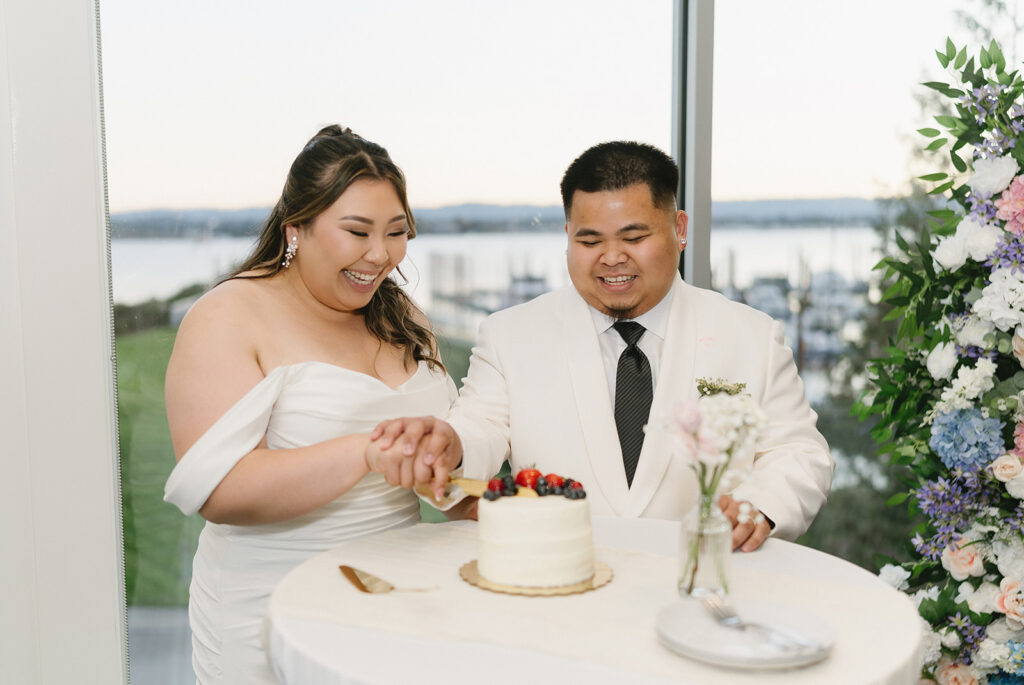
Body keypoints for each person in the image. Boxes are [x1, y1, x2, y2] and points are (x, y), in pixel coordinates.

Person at [372, 140, 834, 551]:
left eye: (634, 237)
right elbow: (480, 425)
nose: (612, 258)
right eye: (589, 240)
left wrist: (759, 506)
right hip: (566, 596)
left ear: (680, 230)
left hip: (707, 583)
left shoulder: (752, 334)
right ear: (568, 237)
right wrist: (450, 444)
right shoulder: (510, 334)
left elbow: (798, 453)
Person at [162, 125, 458, 685]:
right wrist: (369, 452)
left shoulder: (404, 319)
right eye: (357, 231)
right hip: (268, 608)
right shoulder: (229, 315)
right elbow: (221, 493)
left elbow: (441, 470)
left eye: (396, 232)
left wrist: (448, 466)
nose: (381, 255)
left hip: (396, 605)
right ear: (297, 226)